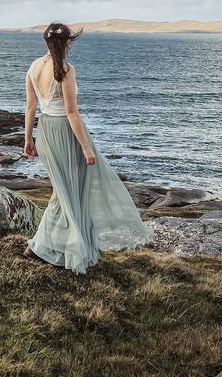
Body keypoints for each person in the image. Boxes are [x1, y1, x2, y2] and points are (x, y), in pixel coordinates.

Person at [22, 22, 157, 275]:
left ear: (45, 41)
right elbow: (72, 113)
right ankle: (45, 247)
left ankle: (56, 247)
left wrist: (28, 139)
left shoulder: (33, 67)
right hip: (65, 132)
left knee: (63, 192)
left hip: (46, 132)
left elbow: (30, 107)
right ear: (68, 43)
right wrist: (86, 148)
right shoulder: (64, 69)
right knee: (70, 192)